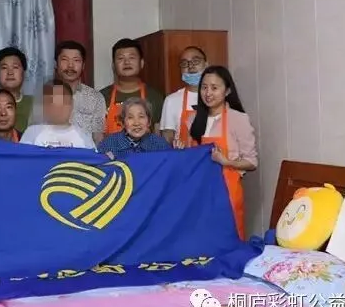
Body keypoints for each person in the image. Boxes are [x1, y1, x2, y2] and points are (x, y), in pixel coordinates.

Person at [181, 65, 257, 240]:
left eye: (214, 88)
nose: (208, 93)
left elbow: (252, 162)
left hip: (228, 193)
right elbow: (188, 158)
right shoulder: (192, 120)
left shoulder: (238, 119)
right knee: (200, 240)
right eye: (204, 87)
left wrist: (226, 162)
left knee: (228, 239)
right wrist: (181, 150)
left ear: (227, 91)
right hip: (199, 191)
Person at [100, 38, 164, 135]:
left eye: (132, 57)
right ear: (113, 66)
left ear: (141, 63)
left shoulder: (155, 97)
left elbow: (158, 136)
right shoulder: (100, 97)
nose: (126, 62)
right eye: (121, 58)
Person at [54, 40, 106, 142]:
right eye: (65, 60)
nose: (70, 65)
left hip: (85, 151)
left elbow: (98, 138)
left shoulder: (95, 98)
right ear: (56, 64)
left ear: (83, 66)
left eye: (76, 60)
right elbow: (34, 135)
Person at [21, 80, 95, 149]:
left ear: (72, 104)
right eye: (52, 101)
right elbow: (22, 157)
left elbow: (94, 158)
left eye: (63, 101)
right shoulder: (32, 132)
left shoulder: (83, 136)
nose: (58, 107)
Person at [160, 46, 209, 145]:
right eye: (184, 63)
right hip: (184, 154)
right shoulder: (171, 100)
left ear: (206, 65)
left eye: (196, 61)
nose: (190, 66)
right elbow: (167, 139)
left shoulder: (217, 97)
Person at [98, 97, 171, 158]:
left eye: (141, 117)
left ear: (149, 121)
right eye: (130, 117)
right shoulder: (108, 144)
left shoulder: (160, 145)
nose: (136, 123)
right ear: (123, 123)